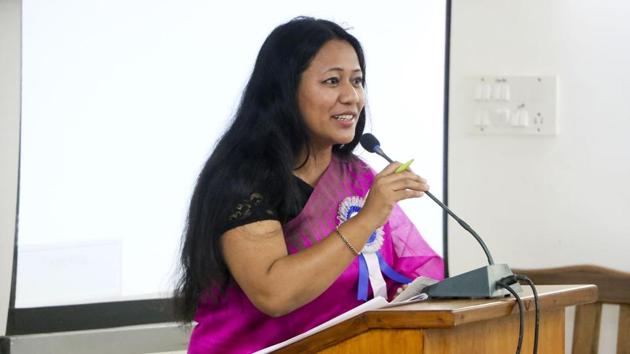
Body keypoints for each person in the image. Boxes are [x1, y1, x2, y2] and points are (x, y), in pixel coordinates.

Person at [175, 17, 444, 353]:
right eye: (332, 81)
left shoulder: (356, 176)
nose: (351, 96)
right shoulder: (242, 181)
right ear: (285, 91)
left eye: (357, 81)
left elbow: (407, 273)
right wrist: (367, 218)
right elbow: (275, 293)